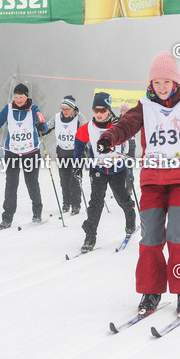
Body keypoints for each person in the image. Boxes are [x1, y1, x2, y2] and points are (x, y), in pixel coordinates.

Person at [97, 52, 180, 318]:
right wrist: (110, 137)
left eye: (166, 82)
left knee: (179, 233)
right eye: (156, 82)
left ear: (176, 81)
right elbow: (126, 126)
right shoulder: (145, 106)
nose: (162, 87)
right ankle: (151, 290)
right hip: (153, 181)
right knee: (151, 237)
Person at [0, 83, 49, 229]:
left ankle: (37, 212)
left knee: (32, 183)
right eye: (16, 97)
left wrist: (42, 127)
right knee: (11, 185)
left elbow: (43, 122)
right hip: (12, 152)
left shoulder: (33, 109)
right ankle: (7, 218)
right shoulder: (8, 108)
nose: (18, 99)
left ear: (26, 96)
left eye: (21, 96)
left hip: (30, 152)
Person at [74, 92, 136, 253]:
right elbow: (79, 146)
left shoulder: (118, 125)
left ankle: (130, 218)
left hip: (116, 168)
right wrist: (77, 165)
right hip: (98, 168)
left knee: (121, 198)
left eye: (103, 110)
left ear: (109, 110)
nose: (99, 114)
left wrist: (126, 155)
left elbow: (127, 144)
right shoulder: (87, 127)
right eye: (96, 110)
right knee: (95, 202)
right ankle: (90, 236)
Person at [44, 95, 86, 215]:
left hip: (76, 153)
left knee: (75, 179)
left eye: (67, 109)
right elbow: (47, 128)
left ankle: (76, 204)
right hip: (62, 152)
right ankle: (66, 202)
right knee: (64, 180)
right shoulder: (57, 117)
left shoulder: (79, 118)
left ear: (72, 108)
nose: (65, 111)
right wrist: (41, 128)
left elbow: (87, 131)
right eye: (63, 108)